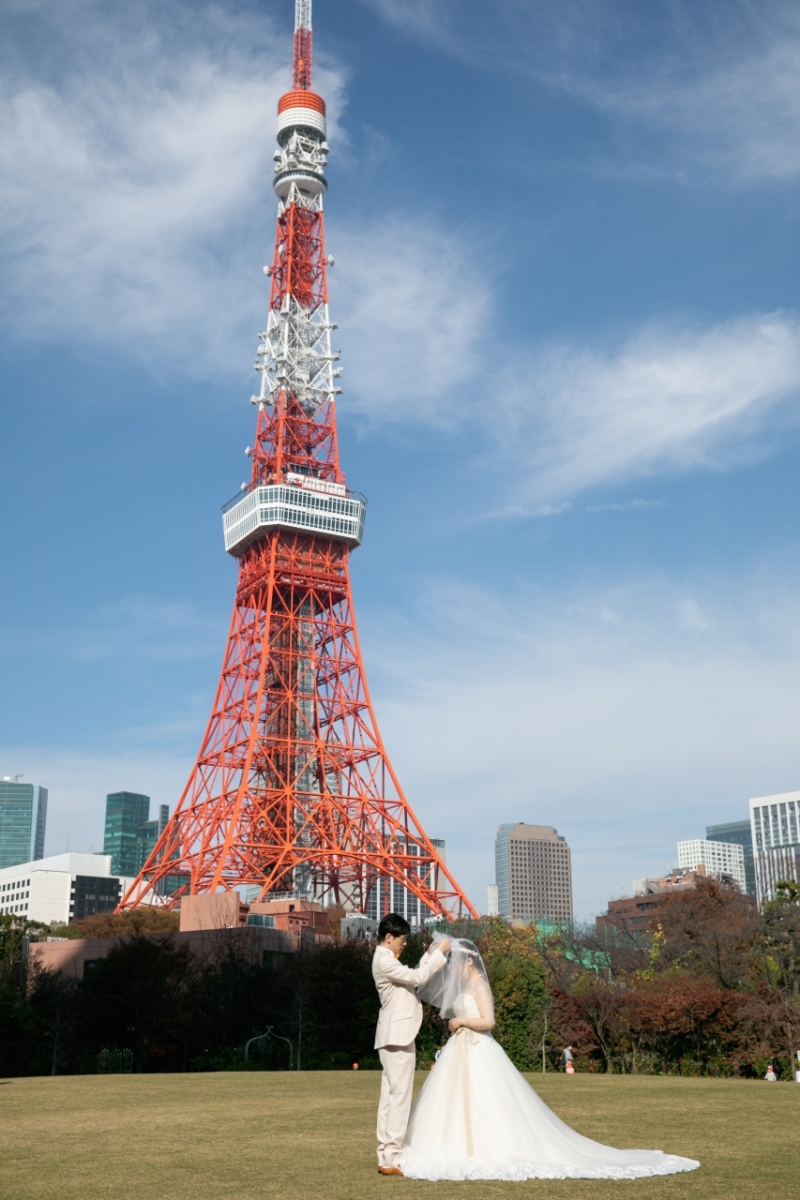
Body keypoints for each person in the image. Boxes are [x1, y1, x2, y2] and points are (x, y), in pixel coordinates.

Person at [400, 935, 701, 1181]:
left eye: (457, 965)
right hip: (460, 1050)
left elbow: (489, 1021)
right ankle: (456, 1145)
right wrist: (431, 956)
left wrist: (462, 1022)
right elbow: (432, 988)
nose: (456, 972)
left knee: (487, 1101)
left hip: (478, 1047)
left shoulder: (479, 986)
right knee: (454, 1101)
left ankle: (480, 1146)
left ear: (469, 961)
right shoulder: (465, 985)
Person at [372, 913, 450, 1177]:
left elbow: (412, 974)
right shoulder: (384, 961)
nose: (404, 944)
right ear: (389, 937)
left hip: (393, 1034)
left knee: (390, 1097)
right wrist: (440, 954)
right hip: (398, 1035)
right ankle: (392, 1157)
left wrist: (428, 956)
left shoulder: (386, 960)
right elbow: (417, 978)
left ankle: (387, 1156)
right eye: (402, 940)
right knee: (399, 1098)